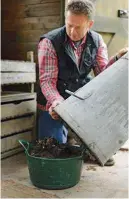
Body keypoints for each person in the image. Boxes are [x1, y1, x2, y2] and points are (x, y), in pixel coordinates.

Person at [37, 0, 128, 166]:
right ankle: (69, 140)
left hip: (79, 99)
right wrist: (58, 103)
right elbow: (47, 81)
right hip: (53, 102)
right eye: (69, 25)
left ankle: (88, 148)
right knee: (54, 154)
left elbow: (102, 74)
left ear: (90, 24)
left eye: (78, 27)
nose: (72, 31)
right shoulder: (49, 42)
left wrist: (117, 59)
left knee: (95, 144)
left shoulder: (97, 41)